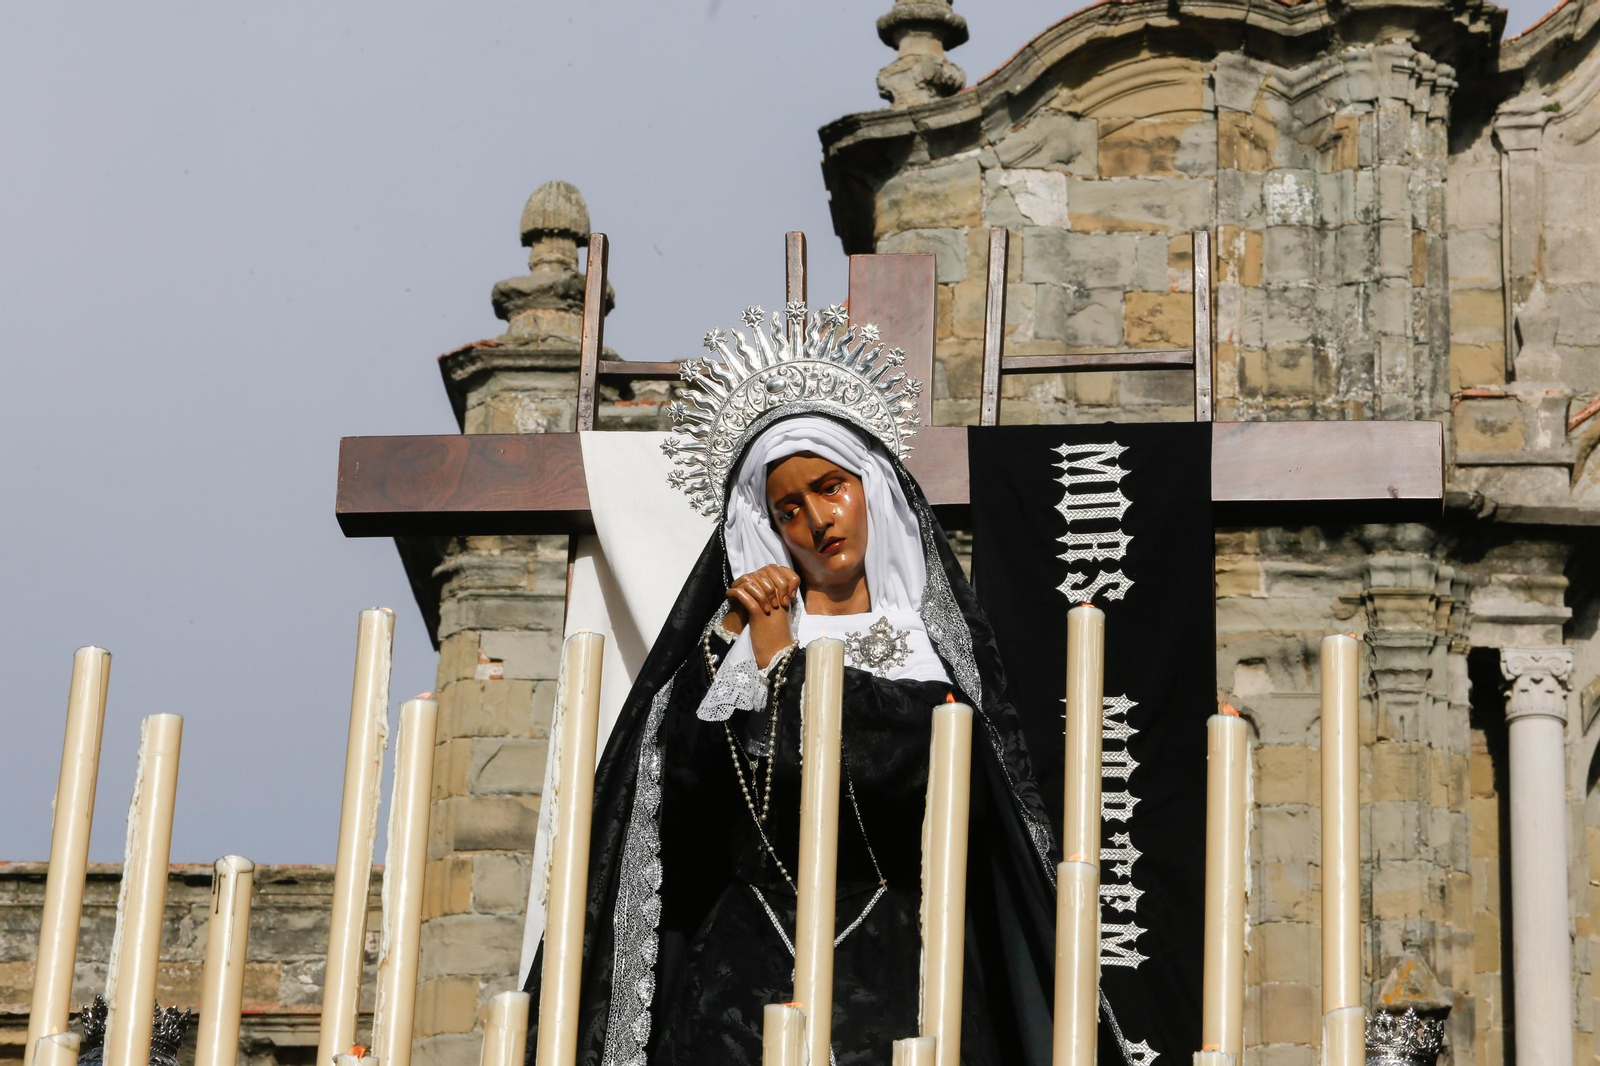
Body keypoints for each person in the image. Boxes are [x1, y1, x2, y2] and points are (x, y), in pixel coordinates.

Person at [523, 307, 1060, 1066]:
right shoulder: (735, 647)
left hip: (901, 963)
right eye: (789, 508)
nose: (817, 519)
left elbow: (929, 769)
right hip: (742, 975)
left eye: (830, 488)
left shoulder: (927, 645)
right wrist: (736, 647)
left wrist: (785, 664)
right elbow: (681, 793)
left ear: (871, 487)